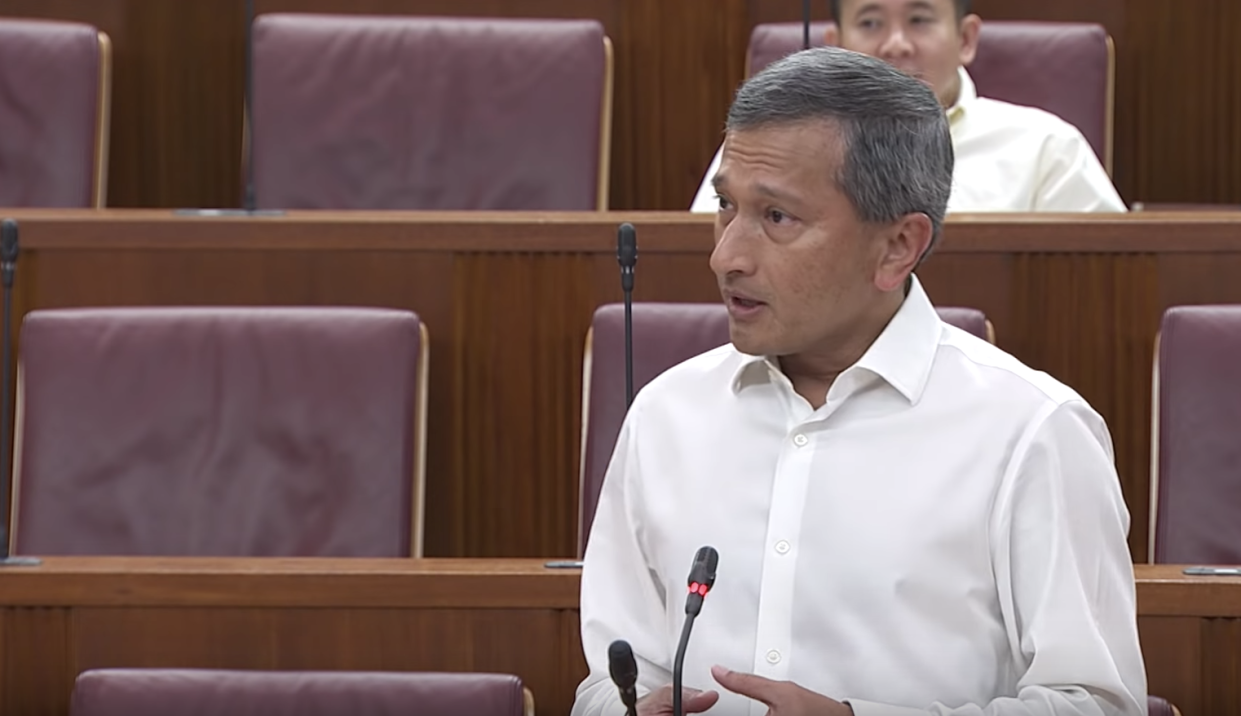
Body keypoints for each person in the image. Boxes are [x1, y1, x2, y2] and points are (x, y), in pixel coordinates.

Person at [573, 46, 1145, 716]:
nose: (724, 254)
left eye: (776, 218)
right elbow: (607, 682)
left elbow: (1098, 705)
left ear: (897, 246)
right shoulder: (666, 414)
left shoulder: (1031, 433)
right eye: (726, 206)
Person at [689, 0, 1127, 214]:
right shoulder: (768, 143)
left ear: (966, 38)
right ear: (836, 44)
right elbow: (704, 261)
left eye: (919, 20)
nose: (896, 45)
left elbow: (1106, 286)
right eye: (871, 22)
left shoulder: (1047, 150)